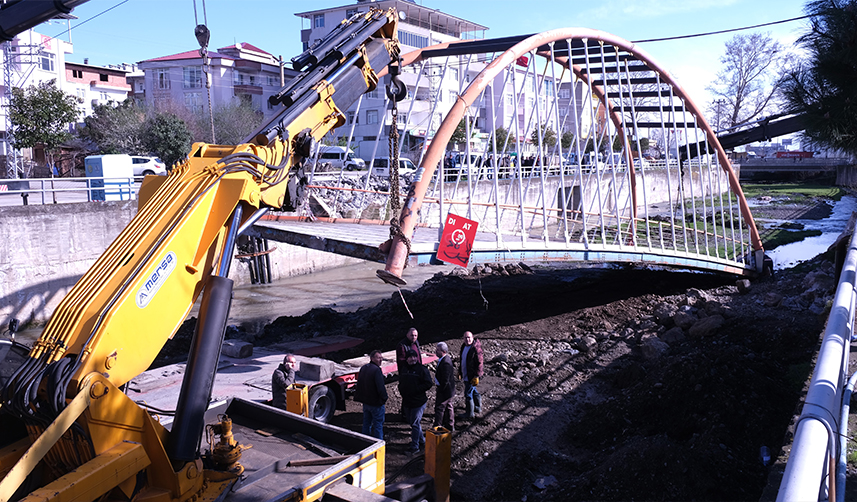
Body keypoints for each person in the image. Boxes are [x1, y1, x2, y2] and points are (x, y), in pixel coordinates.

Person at [398, 349, 433, 453]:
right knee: (412, 422)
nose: (413, 359)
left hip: (418, 402)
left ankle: (415, 447)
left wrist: (416, 389)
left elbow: (428, 383)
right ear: (407, 359)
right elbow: (401, 382)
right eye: (410, 357)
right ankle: (422, 440)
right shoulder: (404, 369)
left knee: (415, 423)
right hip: (407, 401)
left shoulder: (422, 370)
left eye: (414, 357)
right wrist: (401, 390)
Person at [354, 350, 388, 440]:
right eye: (378, 358)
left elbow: (359, 384)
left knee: (366, 423)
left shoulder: (364, 368)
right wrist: (384, 398)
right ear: (372, 358)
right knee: (378, 426)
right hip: (376, 403)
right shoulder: (376, 370)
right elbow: (380, 387)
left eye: (381, 358)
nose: (380, 360)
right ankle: (378, 444)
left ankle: (365, 442)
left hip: (366, 403)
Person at [457, 331, 484, 420]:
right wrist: (460, 371)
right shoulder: (463, 346)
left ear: (472, 338)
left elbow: (480, 363)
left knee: (468, 394)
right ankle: (477, 407)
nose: (467, 339)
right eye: (465, 337)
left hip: (472, 375)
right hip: (466, 373)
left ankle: (469, 414)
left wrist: (476, 376)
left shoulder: (475, 348)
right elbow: (462, 360)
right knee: (473, 391)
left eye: (469, 337)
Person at [433, 342, 456, 432]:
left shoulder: (446, 363)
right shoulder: (444, 359)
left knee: (439, 408)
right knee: (448, 406)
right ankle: (450, 425)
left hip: (445, 390)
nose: (436, 351)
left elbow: (445, 380)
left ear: (444, 351)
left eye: (438, 350)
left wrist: (441, 390)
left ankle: (437, 427)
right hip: (449, 390)